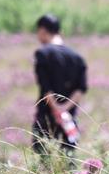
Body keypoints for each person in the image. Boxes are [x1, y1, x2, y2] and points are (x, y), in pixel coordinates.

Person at [32, 14, 88, 155]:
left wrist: (56, 108)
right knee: (69, 159)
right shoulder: (77, 57)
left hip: (46, 117)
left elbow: (45, 87)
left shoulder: (42, 54)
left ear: (43, 31)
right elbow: (80, 89)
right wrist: (64, 109)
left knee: (43, 158)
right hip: (69, 118)